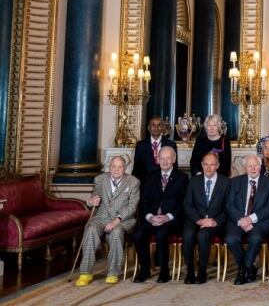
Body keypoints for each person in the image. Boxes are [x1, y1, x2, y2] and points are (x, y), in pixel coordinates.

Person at [75, 156, 140, 287]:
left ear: (125, 168)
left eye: (119, 167)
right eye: (113, 166)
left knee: (116, 233)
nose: (116, 169)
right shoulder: (99, 179)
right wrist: (91, 201)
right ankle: (85, 273)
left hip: (123, 219)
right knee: (91, 230)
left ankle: (112, 272)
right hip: (102, 217)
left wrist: (116, 221)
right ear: (109, 167)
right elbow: (94, 198)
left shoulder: (133, 182)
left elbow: (132, 207)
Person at [132, 146, 189, 283]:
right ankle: (145, 269)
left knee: (161, 233)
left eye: (168, 158)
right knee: (138, 234)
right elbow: (144, 200)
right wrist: (149, 217)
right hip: (152, 217)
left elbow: (183, 202)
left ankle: (164, 271)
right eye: (162, 158)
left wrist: (167, 216)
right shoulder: (150, 176)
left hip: (172, 219)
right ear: (158, 159)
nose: (165, 161)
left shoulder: (182, 178)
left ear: (174, 159)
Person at [226, 154, 269, 285]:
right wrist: (242, 219)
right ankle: (249, 267)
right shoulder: (235, 182)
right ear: (245, 168)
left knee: (255, 238)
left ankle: (243, 271)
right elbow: (229, 205)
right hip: (239, 220)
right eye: (249, 166)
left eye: (255, 165)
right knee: (231, 239)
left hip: (260, 221)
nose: (253, 168)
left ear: (260, 167)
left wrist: (251, 219)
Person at [182, 152, 230, 284]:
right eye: (206, 165)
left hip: (215, 222)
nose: (209, 168)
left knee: (203, 234)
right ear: (202, 165)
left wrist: (215, 221)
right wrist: (199, 219)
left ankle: (202, 270)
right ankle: (190, 271)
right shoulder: (194, 181)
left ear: (218, 166)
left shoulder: (225, 182)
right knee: (188, 234)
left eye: (212, 165)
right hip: (195, 219)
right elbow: (187, 204)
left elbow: (228, 207)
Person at [132, 115, 178, 187]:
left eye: (159, 125)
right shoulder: (140, 145)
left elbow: (175, 167)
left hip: (166, 184)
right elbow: (136, 169)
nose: (156, 128)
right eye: (153, 125)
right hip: (146, 185)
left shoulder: (171, 144)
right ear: (149, 128)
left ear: (162, 127)